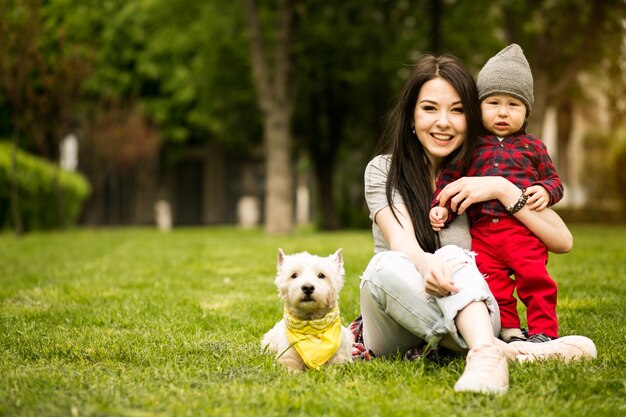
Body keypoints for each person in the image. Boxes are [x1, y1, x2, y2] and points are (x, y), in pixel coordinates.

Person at [356, 52, 596, 395]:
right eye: (429, 108)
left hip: (476, 316)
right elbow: (402, 242)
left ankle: (485, 351)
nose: (443, 122)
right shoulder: (383, 169)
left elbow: (562, 241)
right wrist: (430, 266)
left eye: (457, 110)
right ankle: (517, 352)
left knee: (458, 257)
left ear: (472, 118)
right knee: (384, 265)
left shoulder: (484, 171)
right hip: (397, 315)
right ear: (411, 115)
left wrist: (500, 187)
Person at [430, 44, 561, 343]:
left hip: (523, 231)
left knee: (536, 281)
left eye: (513, 105)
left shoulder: (533, 147)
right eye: (494, 103)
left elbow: (555, 182)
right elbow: (449, 180)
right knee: (494, 284)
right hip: (484, 234)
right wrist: (441, 206)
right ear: (479, 107)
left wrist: (545, 190)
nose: (503, 112)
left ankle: (543, 331)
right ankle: (510, 331)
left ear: (527, 110)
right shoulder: (471, 146)